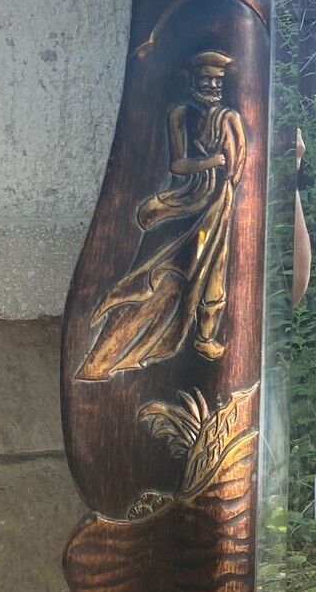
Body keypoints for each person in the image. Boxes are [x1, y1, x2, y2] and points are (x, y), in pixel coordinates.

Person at [77, 51, 247, 379]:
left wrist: (224, 186)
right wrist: (210, 164)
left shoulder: (229, 119)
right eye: (206, 78)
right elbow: (178, 165)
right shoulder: (181, 113)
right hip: (188, 200)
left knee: (216, 268)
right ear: (194, 79)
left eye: (218, 80)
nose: (212, 84)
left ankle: (204, 337)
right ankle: (127, 343)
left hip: (219, 202)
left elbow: (237, 168)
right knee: (166, 268)